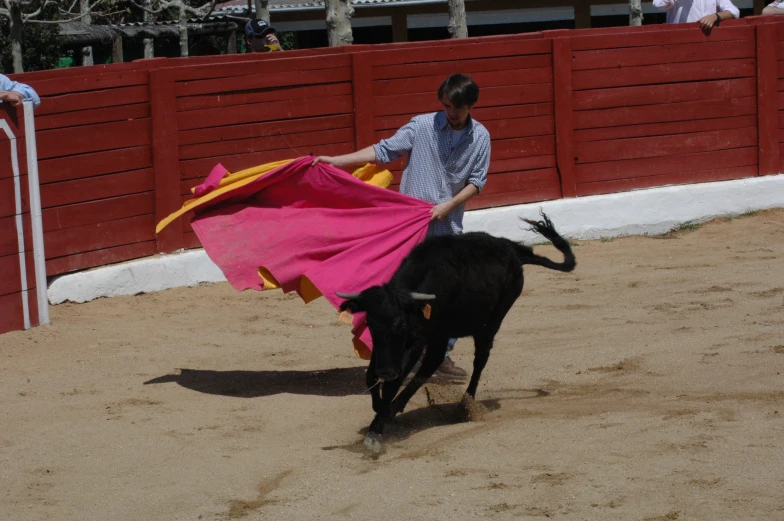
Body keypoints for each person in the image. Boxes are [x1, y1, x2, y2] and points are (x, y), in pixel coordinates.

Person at [313, 74, 491, 380]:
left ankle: (439, 355)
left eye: (458, 107)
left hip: (448, 231)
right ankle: (401, 354)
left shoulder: (481, 137)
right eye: (447, 105)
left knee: (449, 295)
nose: (452, 111)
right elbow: (383, 151)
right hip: (409, 230)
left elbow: (477, 181)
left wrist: (448, 206)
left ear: (471, 105)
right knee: (401, 294)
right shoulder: (421, 126)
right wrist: (336, 161)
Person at [652, 0, 740, 34]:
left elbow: (734, 11)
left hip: (708, 41)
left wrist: (715, 16)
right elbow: (658, 4)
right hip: (680, 41)